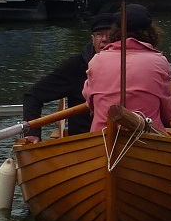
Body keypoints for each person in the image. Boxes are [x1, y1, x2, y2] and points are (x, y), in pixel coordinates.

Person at [19, 10, 117, 142]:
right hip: (82, 144)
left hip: (121, 140)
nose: (104, 39)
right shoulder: (76, 66)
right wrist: (32, 133)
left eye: (109, 35)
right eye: (99, 35)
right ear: (93, 39)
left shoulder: (128, 65)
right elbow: (33, 96)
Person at [81, 3, 171, 132]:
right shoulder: (159, 62)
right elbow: (168, 115)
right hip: (146, 140)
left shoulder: (96, 60)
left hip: (102, 138)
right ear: (151, 32)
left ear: (115, 31)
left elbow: (91, 106)